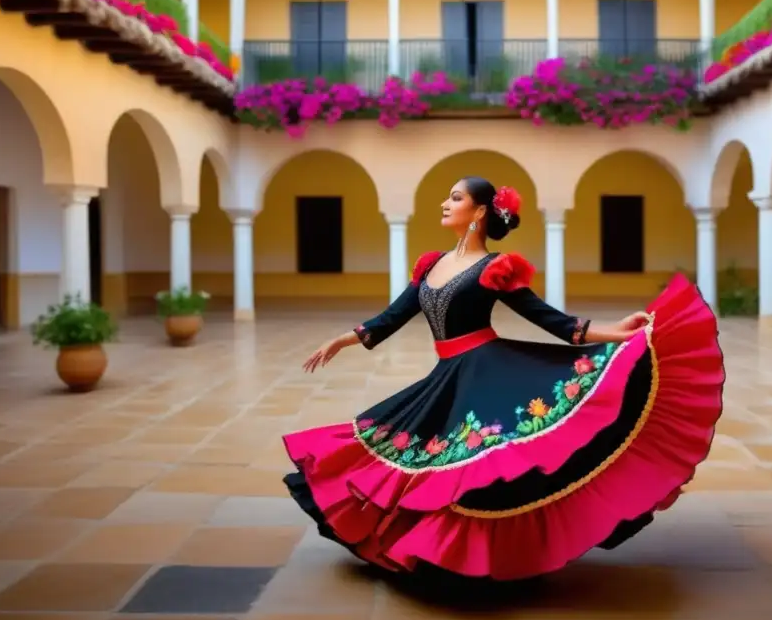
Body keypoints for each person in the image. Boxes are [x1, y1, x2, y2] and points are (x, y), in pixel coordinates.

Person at [282, 176, 725, 581]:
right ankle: (441, 549)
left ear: (478, 213)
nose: (445, 203)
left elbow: (553, 321)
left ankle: (472, 555)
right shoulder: (430, 265)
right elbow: (393, 317)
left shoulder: (497, 267)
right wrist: (344, 339)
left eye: (455, 198)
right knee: (423, 457)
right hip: (448, 375)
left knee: (486, 464)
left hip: (488, 368)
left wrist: (618, 332)